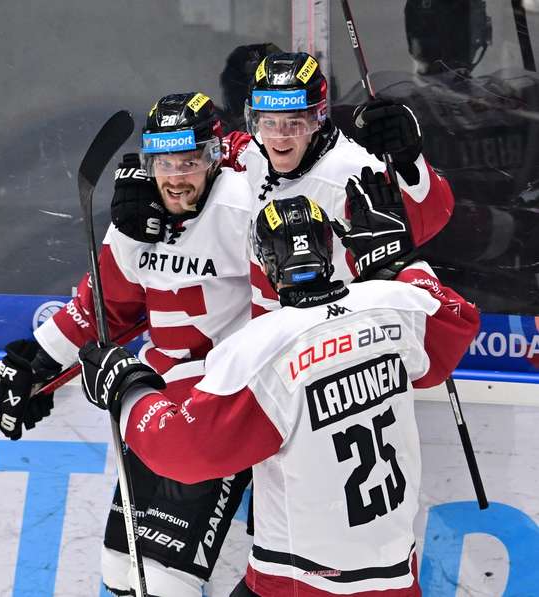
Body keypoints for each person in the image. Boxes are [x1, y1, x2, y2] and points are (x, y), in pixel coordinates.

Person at [78, 181, 481, 596]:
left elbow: (187, 452)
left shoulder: (262, 347)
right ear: (330, 250)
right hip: (396, 574)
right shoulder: (394, 304)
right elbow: (456, 322)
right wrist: (398, 262)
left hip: (300, 581)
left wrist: (129, 390)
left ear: (267, 265)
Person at [0, 92, 259, 596]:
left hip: (220, 410)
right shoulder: (137, 217)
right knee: (122, 572)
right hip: (151, 404)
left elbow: (271, 158)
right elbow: (104, 309)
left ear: (215, 155)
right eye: (164, 162)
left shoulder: (243, 205)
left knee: (164, 582)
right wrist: (36, 364)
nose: (176, 177)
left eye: (190, 161)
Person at [331, 0, 539, 315]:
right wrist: (511, 228)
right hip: (421, 288)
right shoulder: (379, 107)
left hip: (501, 292)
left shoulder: (519, 96)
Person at [220, 51, 456, 318]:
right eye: (269, 122)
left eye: (294, 124)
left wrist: (407, 159)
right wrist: (162, 192)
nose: (280, 137)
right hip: (266, 333)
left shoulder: (352, 170)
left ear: (317, 119)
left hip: (332, 331)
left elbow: (436, 213)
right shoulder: (256, 152)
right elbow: (224, 151)